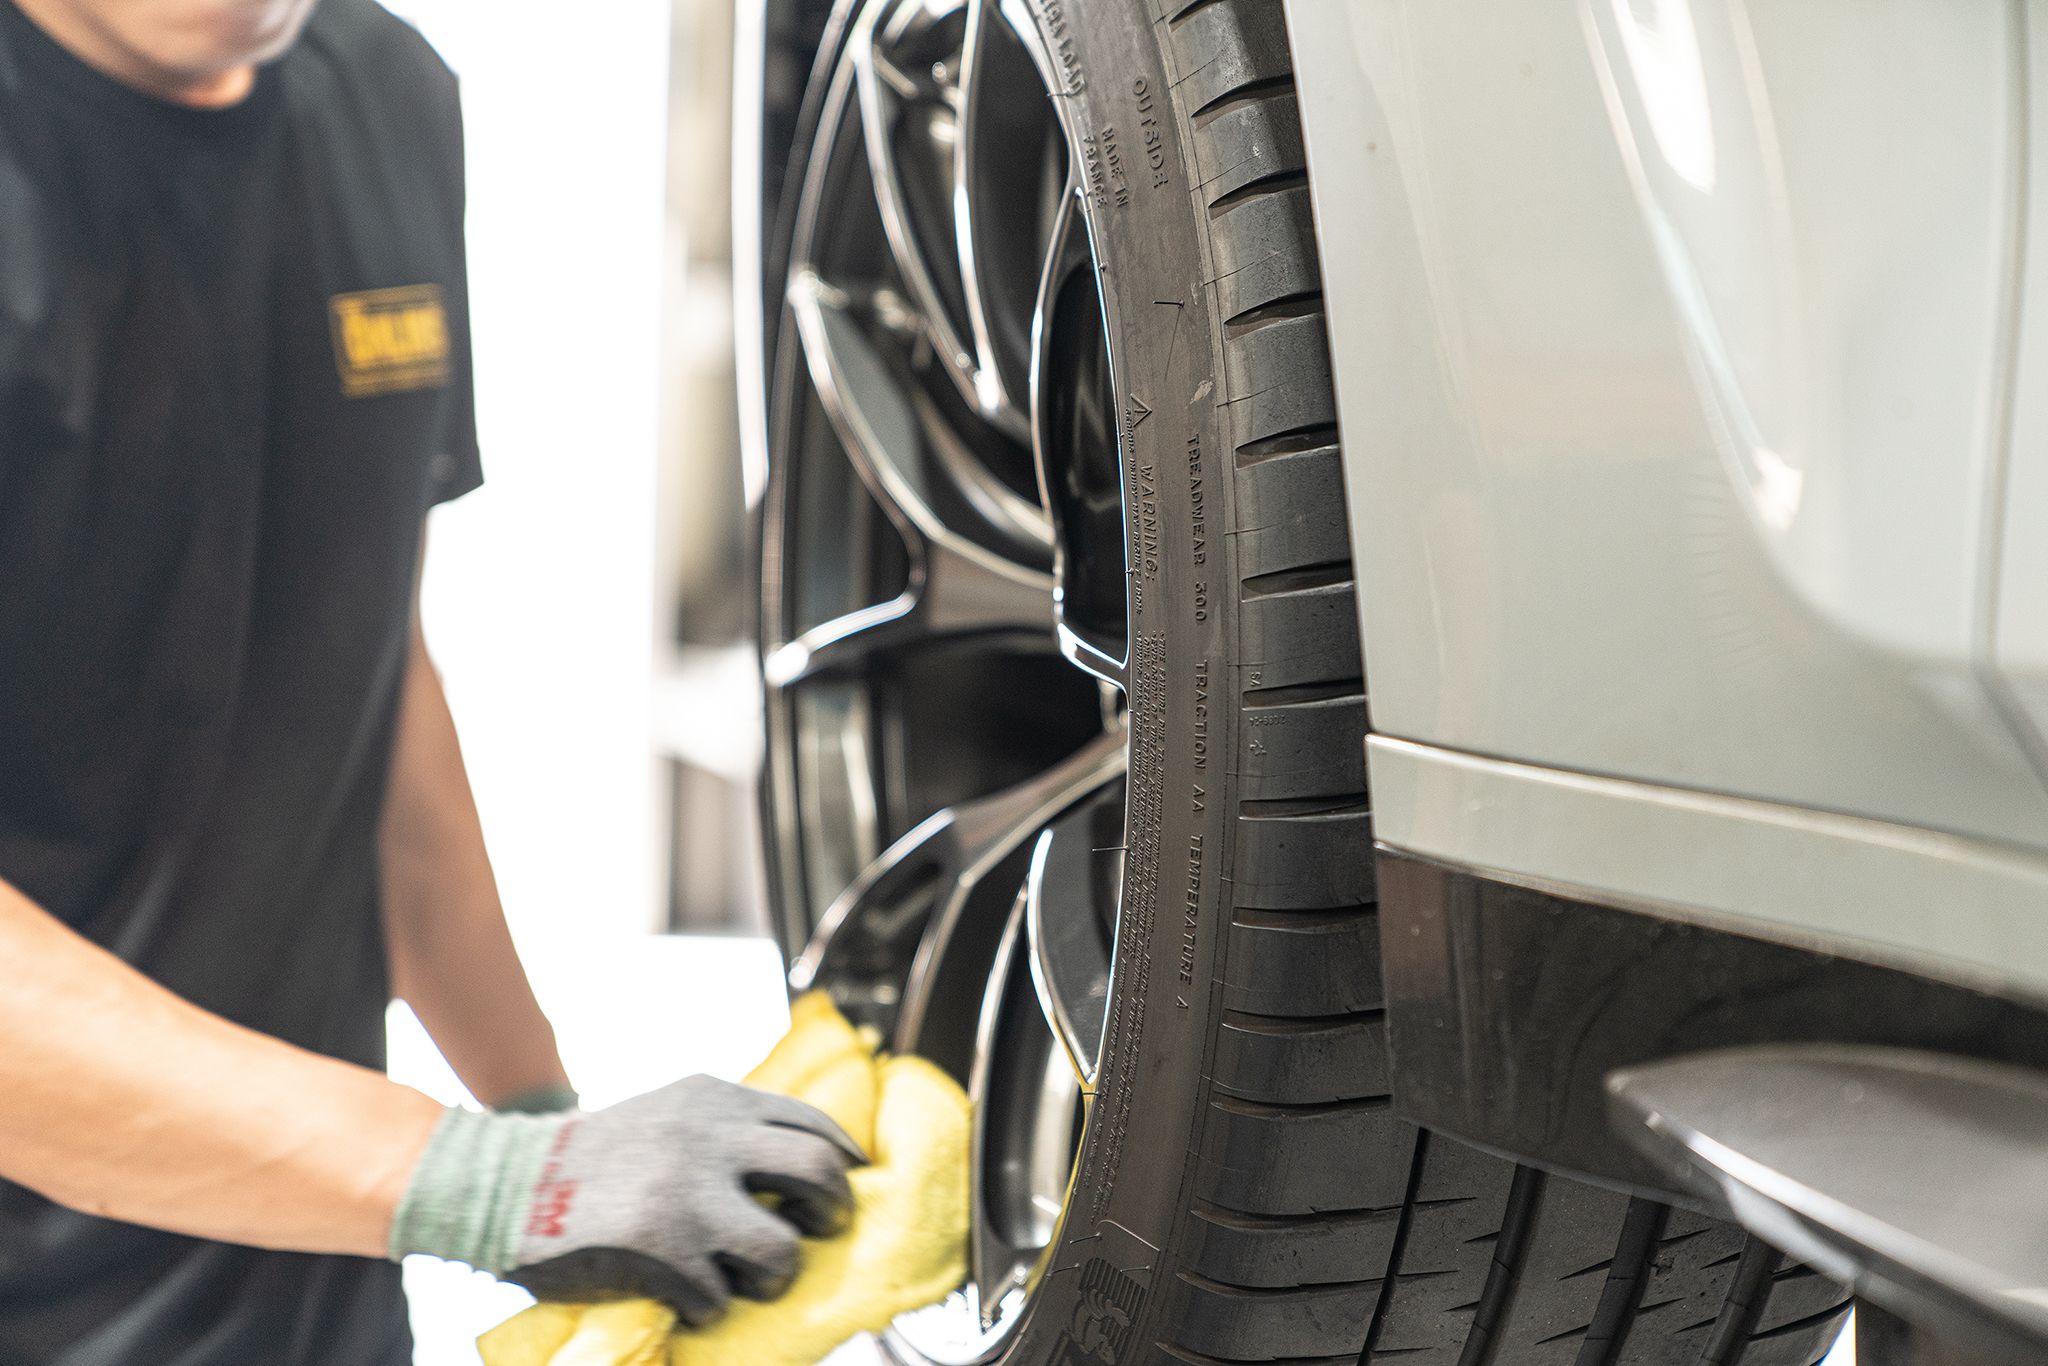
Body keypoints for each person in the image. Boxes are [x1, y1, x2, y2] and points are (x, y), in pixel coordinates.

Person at [0, 0, 861, 1360]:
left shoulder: (387, 91)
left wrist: (545, 1129)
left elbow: (361, 679)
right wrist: (491, 1186)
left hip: (314, 1276)